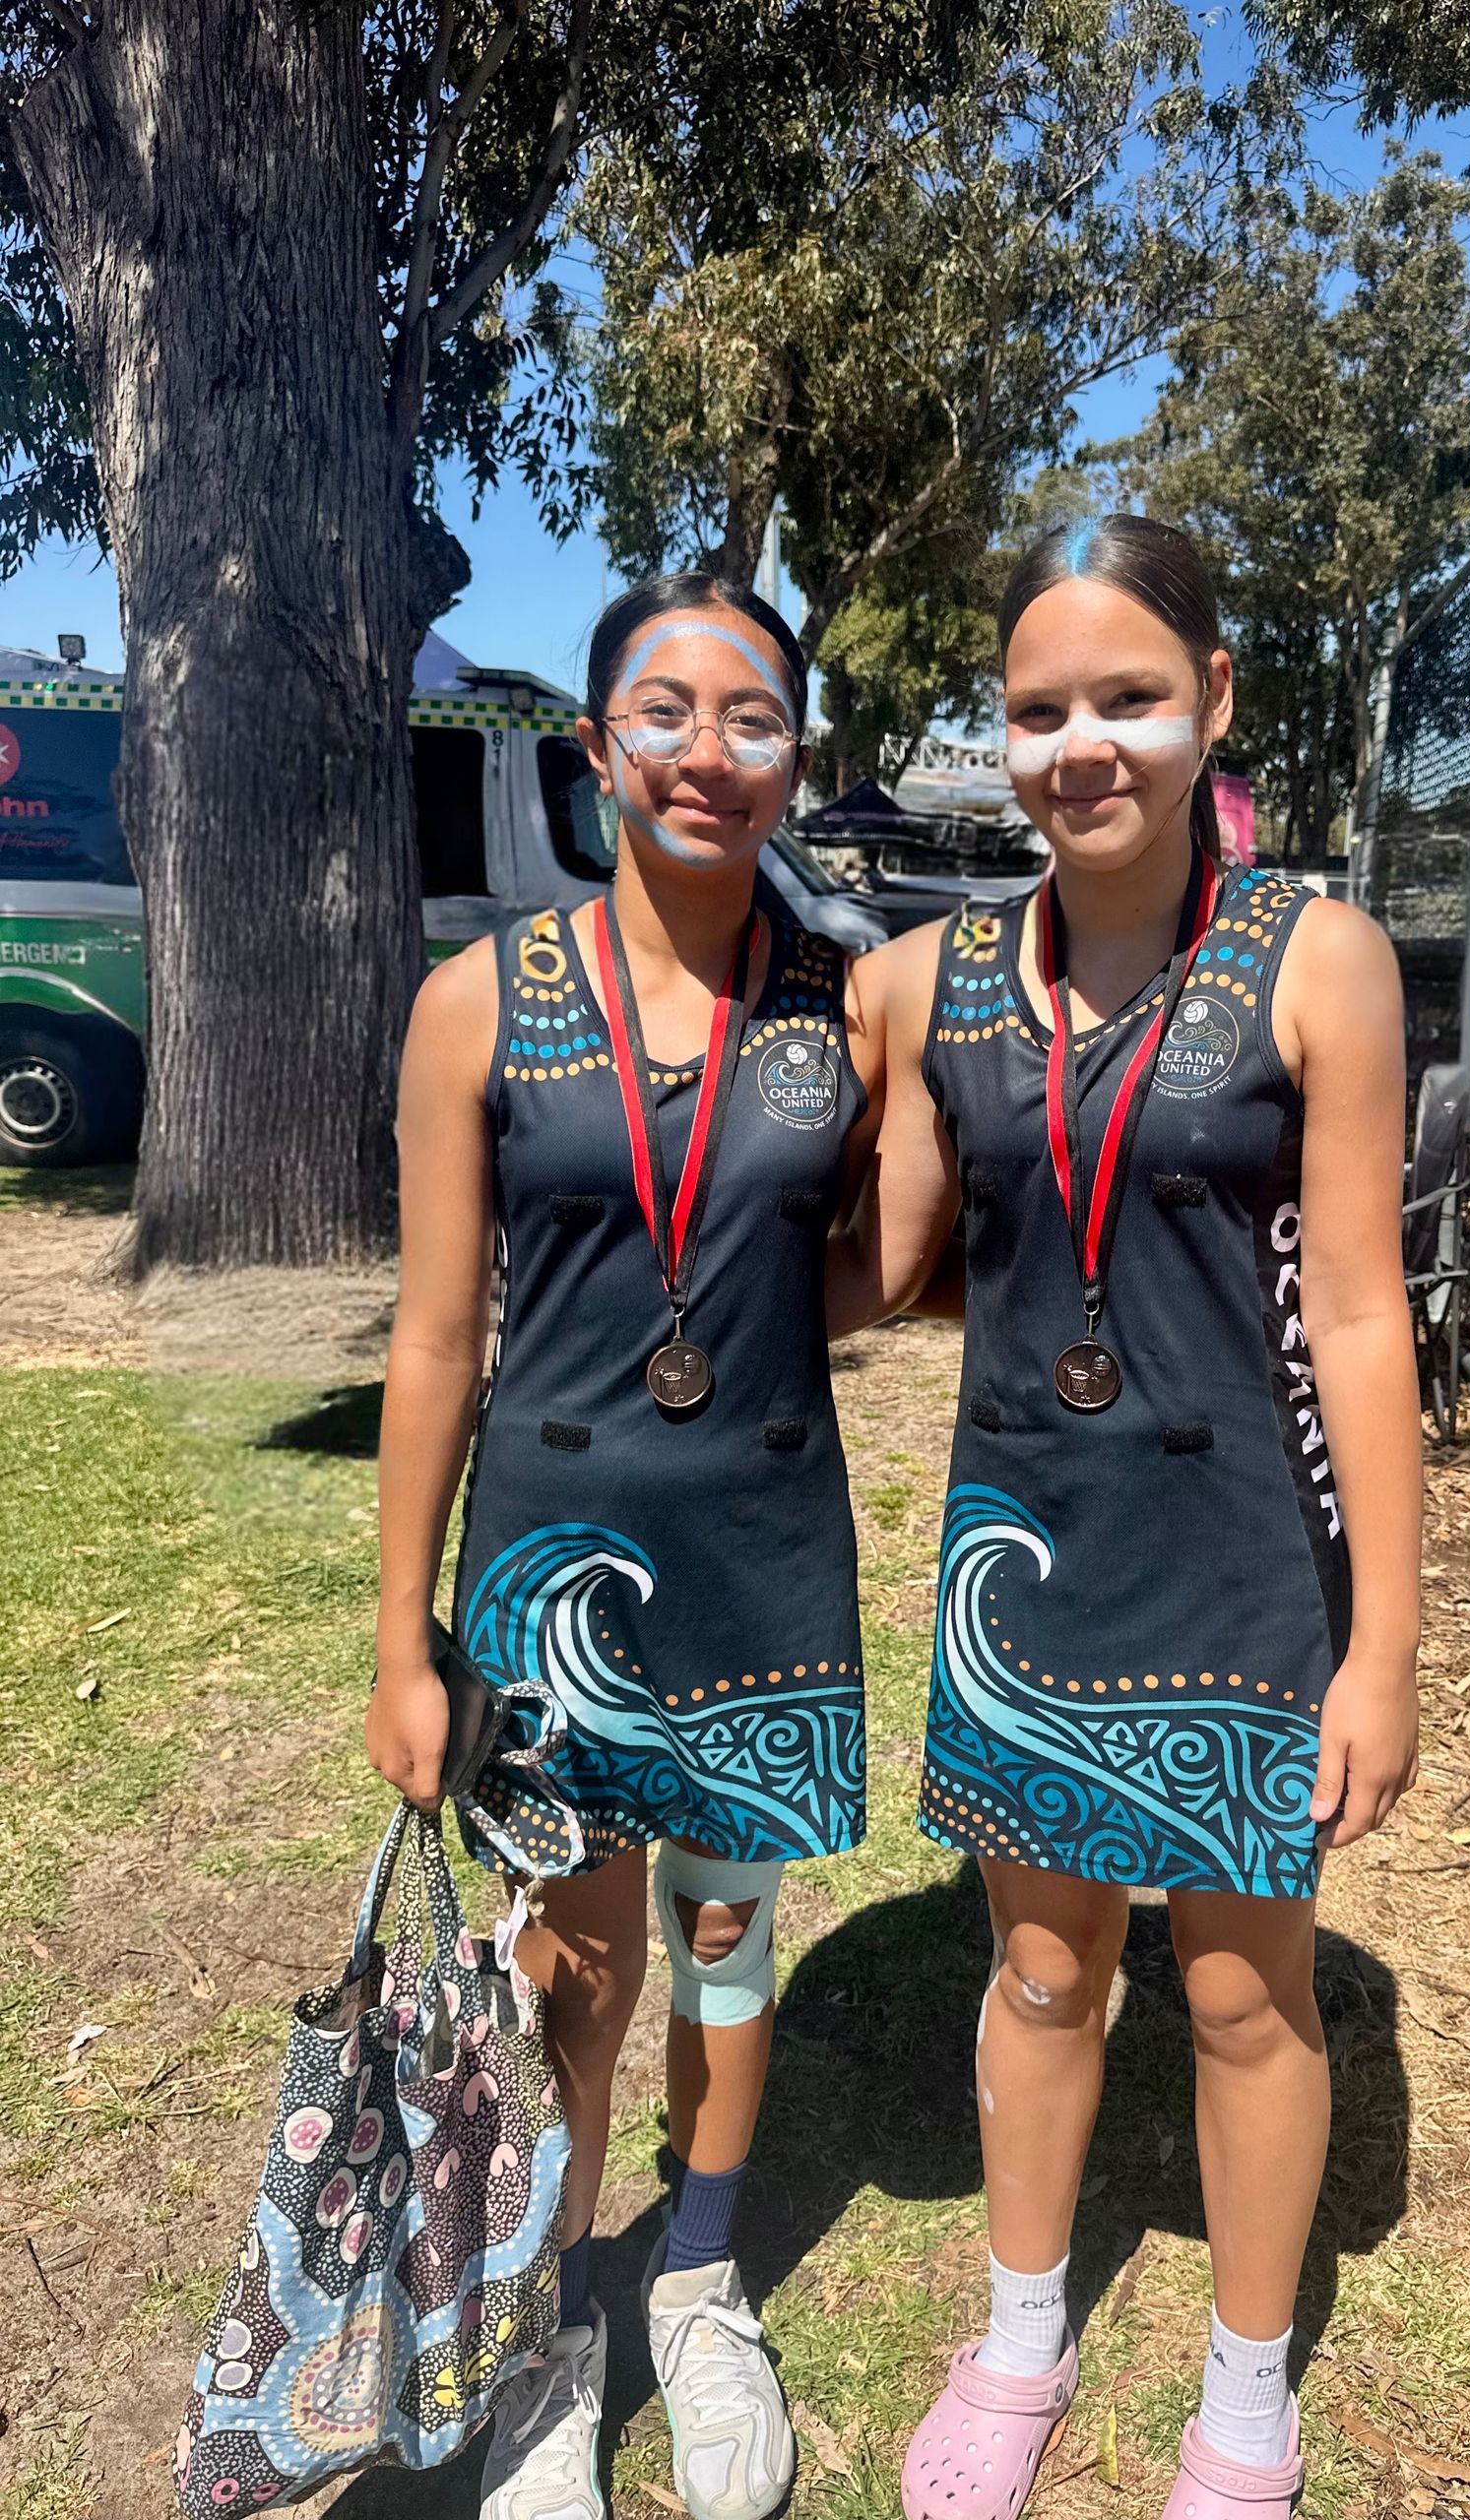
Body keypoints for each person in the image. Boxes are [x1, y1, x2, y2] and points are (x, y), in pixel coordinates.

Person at [832, 515, 1422, 2520]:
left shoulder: (1314, 955)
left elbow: (1356, 1312)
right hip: (1024, 1548)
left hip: (1241, 1547)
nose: (1082, 743)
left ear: (1213, 706)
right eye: (1038, 708)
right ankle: (1020, 2336)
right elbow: (888, 1261)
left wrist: (1386, 1642)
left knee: (1248, 1989)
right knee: (1044, 1969)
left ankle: (1245, 2398)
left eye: (1130, 698)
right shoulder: (924, 980)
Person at [369, 572, 877, 2520]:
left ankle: (699, 2275)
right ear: (597, 749)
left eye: (751, 717)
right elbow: (432, 1334)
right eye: (662, 710)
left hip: (758, 1559)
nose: (705, 750)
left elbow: (875, 1255)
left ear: (795, 761)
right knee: (574, 1964)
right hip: (542, 1575)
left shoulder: (847, 1007)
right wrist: (403, 1640)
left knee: (727, 1937)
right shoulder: (476, 1001)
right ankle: (562, 2326)